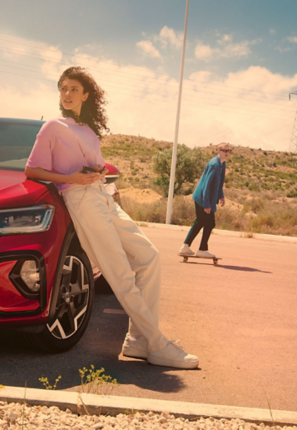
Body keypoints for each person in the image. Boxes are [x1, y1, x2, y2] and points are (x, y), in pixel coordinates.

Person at [25, 66, 198, 369]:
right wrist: (72, 179)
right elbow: (32, 170)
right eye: (63, 88)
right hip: (81, 200)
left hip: (103, 196)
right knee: (119, 274)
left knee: (150, 257)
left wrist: (99, 171)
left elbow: (93, 166)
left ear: (86, 95)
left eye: (73, 89)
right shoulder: (53, 126)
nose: (67, 94)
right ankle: (158, 344)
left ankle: (136, 341)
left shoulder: (89, 131)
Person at [180, 143, 230, 259]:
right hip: (203, 198)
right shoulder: (215, 165)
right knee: (209, 223)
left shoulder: (222, 164)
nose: (227, 153)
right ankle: (201, 249)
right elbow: (207, 186)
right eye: (224, 150)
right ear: (218, 151)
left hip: (206, 198)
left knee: (201, 222)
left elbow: (219, 184)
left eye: (228, 151)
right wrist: (206, 204)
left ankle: (186, 247)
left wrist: (221, 196)